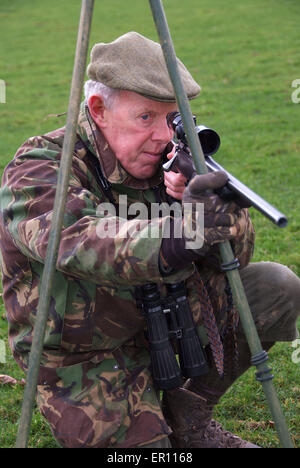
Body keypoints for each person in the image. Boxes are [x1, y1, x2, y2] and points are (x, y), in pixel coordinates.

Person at [0, 31, 299, 449]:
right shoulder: (41, 166)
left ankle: (189, 418)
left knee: (276, 287)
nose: (163, 136)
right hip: (82, 349)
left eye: (172, 120)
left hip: (165, 317)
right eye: (145, 118)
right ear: (99, 110)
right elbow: (77, 240)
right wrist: (181, 232)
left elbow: (237, 258)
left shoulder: (173, 157)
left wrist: (219, 214)